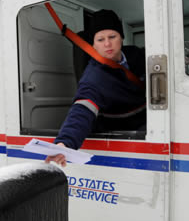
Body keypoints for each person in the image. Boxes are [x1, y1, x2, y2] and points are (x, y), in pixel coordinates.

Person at [45, 9, 146, 167]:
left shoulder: (137, 55)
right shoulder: (94, 77)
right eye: (100, 39)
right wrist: (64, 143)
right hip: (123, 130)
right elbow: (82, 109)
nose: (107, 44)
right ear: (93, 44)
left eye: (112, 37)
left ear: (121, 38)